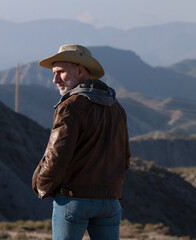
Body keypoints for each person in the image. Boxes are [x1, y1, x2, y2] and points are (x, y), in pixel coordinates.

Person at [32, 44, 130, 240]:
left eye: (60, 72)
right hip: (110, 202)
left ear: (79, 70)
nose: (55, 79)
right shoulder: (117, 108)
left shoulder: (71, 106)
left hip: (73, 199)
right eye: (54, 73)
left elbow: (56, 156)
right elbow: (125, 157)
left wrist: (41, 185)